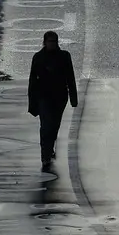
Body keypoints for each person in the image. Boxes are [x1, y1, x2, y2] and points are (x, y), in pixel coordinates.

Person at [28, 31, 78, 171]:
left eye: (54, 41)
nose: (52, 44)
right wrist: (32, 103)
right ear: (44, 42)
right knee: (45, 127)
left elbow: (70, 78)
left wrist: (73, 98)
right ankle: (45, 156)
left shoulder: (64, 57)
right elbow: (32, 81)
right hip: (43, 97)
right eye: (50, 41)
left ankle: (49, 149)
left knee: (54, 126)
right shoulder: (38, 58)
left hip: (60, 97)